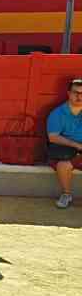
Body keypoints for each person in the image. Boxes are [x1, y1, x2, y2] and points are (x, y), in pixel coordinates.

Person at [46, 78, 82, 209]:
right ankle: (66, 194)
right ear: (68, 93)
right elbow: (53, 137)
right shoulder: (58, 113)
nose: (79, 97)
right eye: (76, 92)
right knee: (63, 165)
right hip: (66, 150)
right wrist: (77, 145)